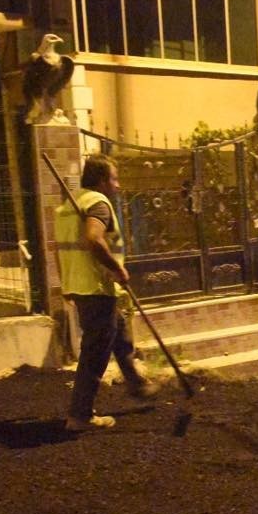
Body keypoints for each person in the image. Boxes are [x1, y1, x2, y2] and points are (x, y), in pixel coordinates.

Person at [55, 154, 159, 431]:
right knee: (96, 351)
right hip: (96, 285)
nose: (118, 185)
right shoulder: (98, 204)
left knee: (119, 331)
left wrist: (66, 285)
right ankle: (80, 415)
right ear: (102, 180)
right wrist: (116, 268)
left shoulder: (70, 205)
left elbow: (60, 248)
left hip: (80, 285)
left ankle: (136, 383)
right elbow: (92, 239)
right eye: (114, 178)